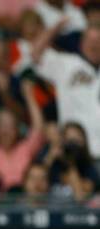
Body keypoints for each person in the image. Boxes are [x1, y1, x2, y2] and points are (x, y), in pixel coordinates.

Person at [33, 22, 100, 159]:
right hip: (75, 149)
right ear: (81, 43)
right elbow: (36, 54)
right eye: (90, 41)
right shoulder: (67, 64)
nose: (94, 46)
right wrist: (57, 26)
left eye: (98, 41)